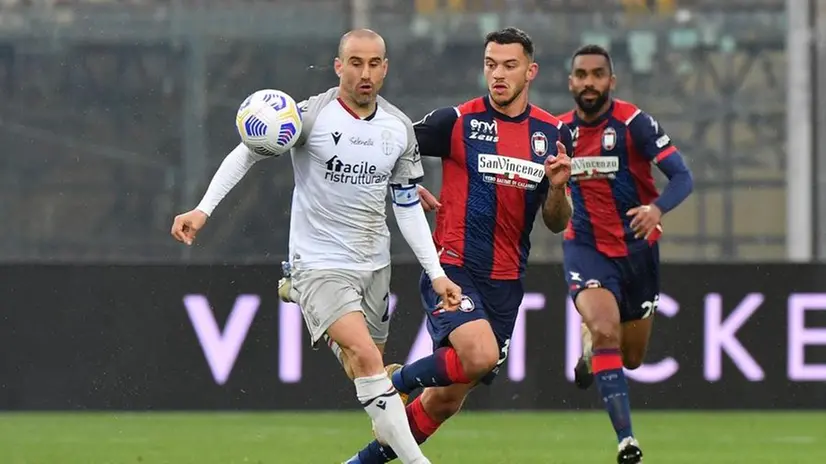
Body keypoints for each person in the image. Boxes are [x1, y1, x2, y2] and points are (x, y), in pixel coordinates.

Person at [170, 29, 464, 464]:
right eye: (356, 63)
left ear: (385, 68)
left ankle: (305, 305)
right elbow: (247, 152)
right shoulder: (309, 116)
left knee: (363, 369)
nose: (365, 73)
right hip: (320, 262)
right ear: (338, 66)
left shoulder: (399, 129)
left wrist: (437, 274)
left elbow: (405, 206)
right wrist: (203, 210)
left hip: (373, 263)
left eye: (374, 63)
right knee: (366, 358)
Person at [344, 27, 573, 464]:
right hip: (452, 268)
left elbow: (557, 222)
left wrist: (559, 188)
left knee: (444, 402)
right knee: (481, 354)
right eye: (491, 65)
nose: (498, 74)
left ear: (531, 71)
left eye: (509, 65)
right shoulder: (456, 122)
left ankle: (361, 462)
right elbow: (389, 146)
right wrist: (407, 185)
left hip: (506, 281)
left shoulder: (552, 132)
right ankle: (393, 383)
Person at [559, 44, 694, 463]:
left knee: (631, 358)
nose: (589, 83)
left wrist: (656, 209)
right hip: (586, 248)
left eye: (597, 75)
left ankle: (588, 348)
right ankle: (626, 441)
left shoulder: (635, 124)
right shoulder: (559, 132)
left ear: (611, 82)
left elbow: (682, 178)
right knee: (605, 329)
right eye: (581, 75)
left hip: (638, 252)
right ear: (570, 82)